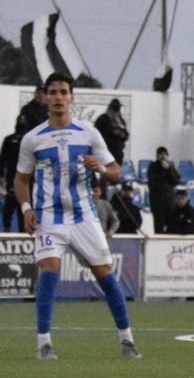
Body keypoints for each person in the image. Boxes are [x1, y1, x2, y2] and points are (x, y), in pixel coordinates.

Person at [12, 73, 140, 360]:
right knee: (49, 268)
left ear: (72, 97)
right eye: (53, 92)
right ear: (44, 97)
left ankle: (127, 340)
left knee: (105, 274)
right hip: (48, 217)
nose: (58, 97)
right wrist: (27, 209)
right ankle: (44, 343)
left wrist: (102, 169)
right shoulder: (32, 139)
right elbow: (20, 180)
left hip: (84, 216)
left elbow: (116, 171)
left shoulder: (89, 132)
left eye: (63, 92)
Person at [147, 146, 181, 234]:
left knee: (171, 227)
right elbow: (154, 182)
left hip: (170, 202)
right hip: (157, 203)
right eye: (160, 154)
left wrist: (168, 169)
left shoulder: (170, 167)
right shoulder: (153, 167)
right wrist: (163, 171)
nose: (162, 156)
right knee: (159, 228)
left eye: (164, 154)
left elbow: (176, 181)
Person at [1, 119, 25, 232]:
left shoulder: (28, 140)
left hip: (25, 176)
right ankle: (7, 227)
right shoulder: (9, 140)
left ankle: (23, 229)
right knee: (10, 201)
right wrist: (1, 175)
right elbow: (2, 159)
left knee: (23, 203)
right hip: (12, 175)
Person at [94, 98, 130, 164]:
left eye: (117, 109)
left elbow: (126, 134)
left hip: (118, 153)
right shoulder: (102, 119)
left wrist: (122, 134)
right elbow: (97, 133)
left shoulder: (121, 121)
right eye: (114, 109)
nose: (115, 112)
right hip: (106, 152)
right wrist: (113, 133)